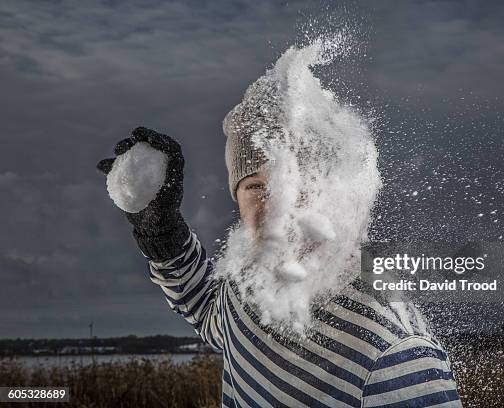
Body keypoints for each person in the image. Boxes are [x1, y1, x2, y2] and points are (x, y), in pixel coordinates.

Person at [97, 83, 462, 407]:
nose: (276, 207)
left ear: (333, 192)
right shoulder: (254, 281)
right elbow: (210, 311)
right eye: (254, 186)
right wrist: (163, 234)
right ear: (237, 198)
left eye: (296, 183)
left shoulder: (396, 356)